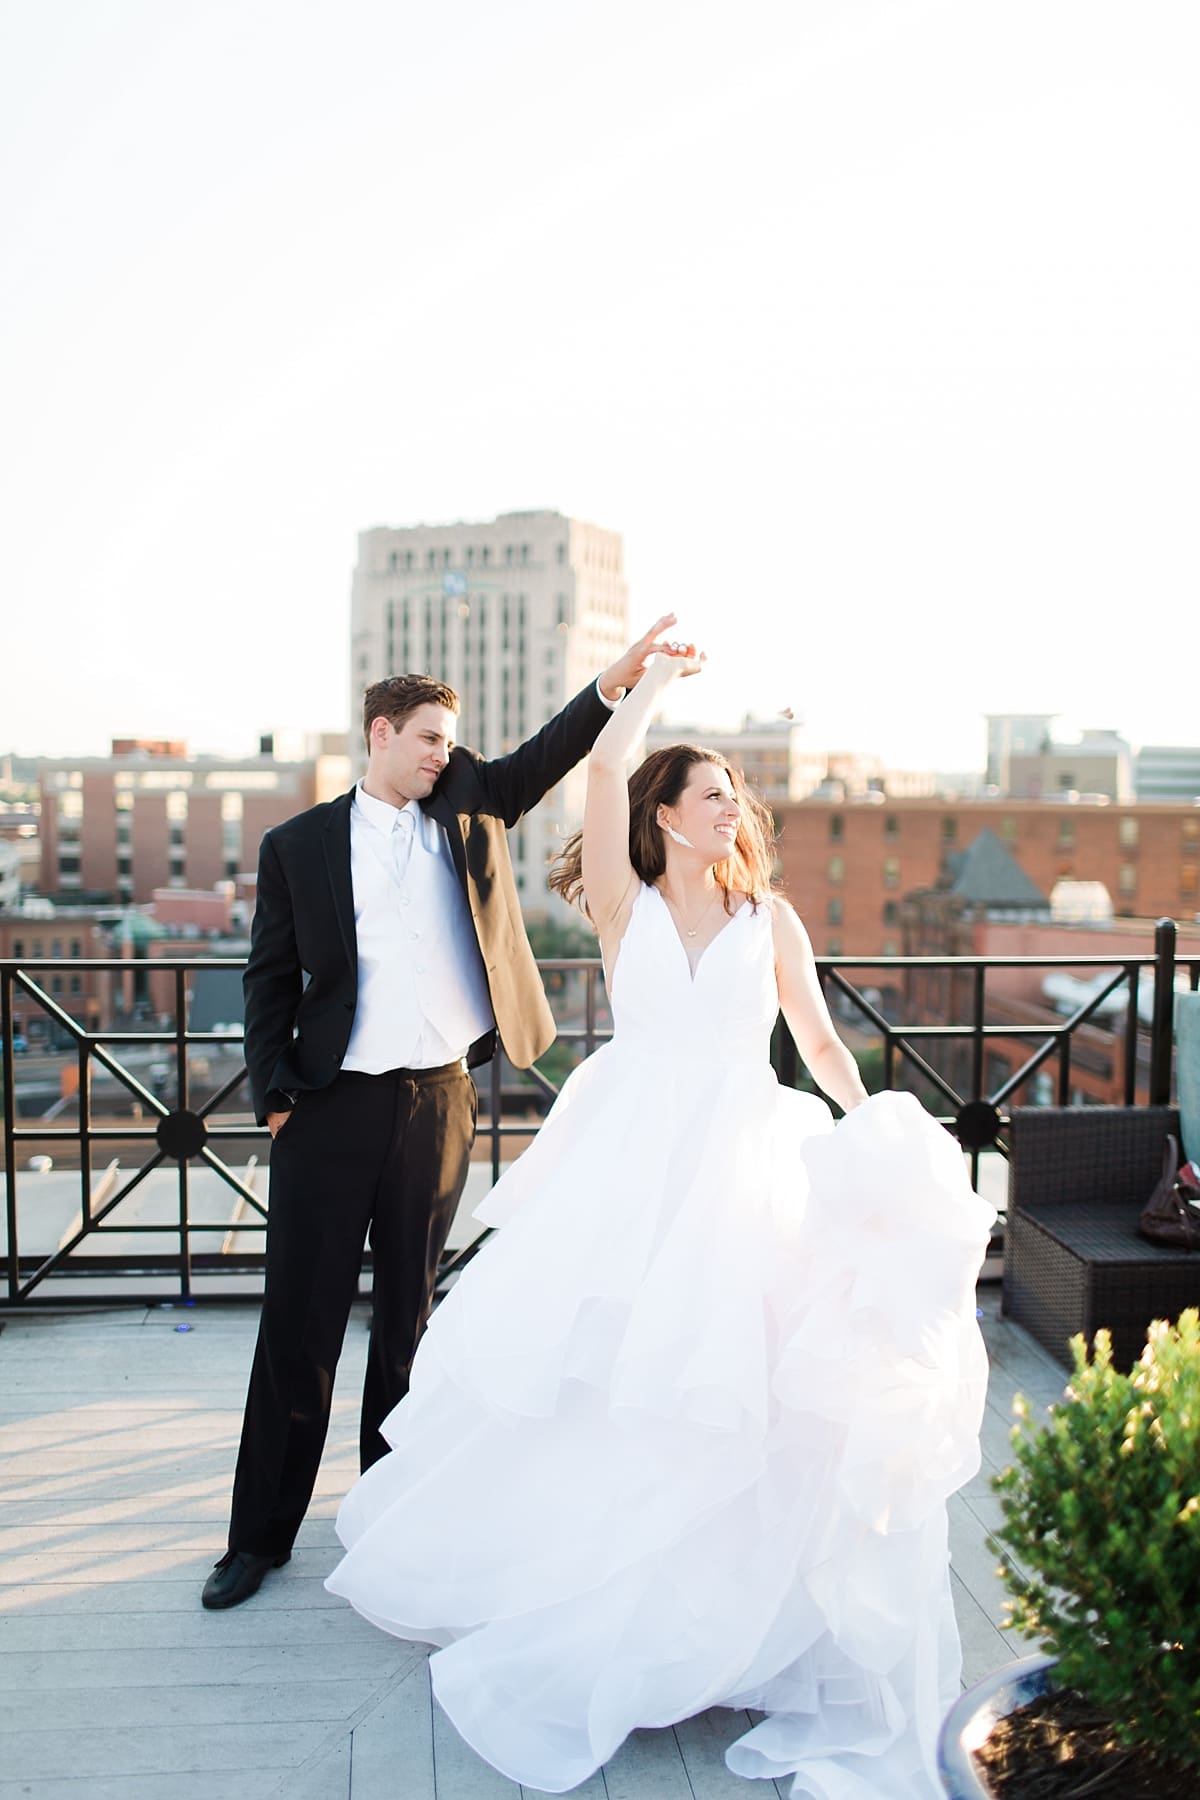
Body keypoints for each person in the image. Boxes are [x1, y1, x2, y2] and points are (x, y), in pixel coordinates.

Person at [325, 644, 996, 1796]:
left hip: (747, 1154)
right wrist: (651, 689)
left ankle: (739, 1623)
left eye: (739, 795)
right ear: (669, 819)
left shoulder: (772, 918)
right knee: (597, 1363)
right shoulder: (622, 901)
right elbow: (607, 763)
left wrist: (874, 1114)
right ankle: (570, 1582)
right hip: (630, 1154)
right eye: (714, 794)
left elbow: (822, 1041)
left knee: (741, 1374)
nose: (733, 808)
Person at [201, 616, 681, 1611]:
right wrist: (277, 1099)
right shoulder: (297, 846)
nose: (442, 753)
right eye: (427, 737)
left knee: (410, 1325)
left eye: (449, 739)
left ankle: (394, 1527)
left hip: (439, 1103)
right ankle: (258, 1540)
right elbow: (267, 980)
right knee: (301, 1324)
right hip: (329, 1110)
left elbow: (551, 752)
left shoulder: (469, 800)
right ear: (379, 733)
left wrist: (620, 678)